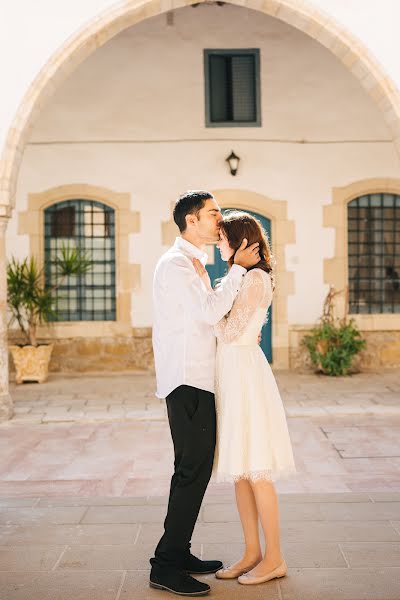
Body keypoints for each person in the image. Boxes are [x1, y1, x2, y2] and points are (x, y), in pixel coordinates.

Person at [150, 191, 260, 597]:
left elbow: (206, 318)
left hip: (197, 379)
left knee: (194, 471)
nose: (220, 220)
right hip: (187, 381)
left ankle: (178, 554)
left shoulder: (192, 262)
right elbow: (210, 312)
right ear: (191, 221)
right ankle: (165, 565)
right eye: (214, 214)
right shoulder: (177, 264)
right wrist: (238, 271)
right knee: (191, 472)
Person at [192, 210, 296, 586]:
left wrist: (206, 308)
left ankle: (275, 557)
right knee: (240, 471)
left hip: (245, 374)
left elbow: (230, 332)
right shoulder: (241, 277)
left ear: (240, 242)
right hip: (231, 374)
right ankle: (252, 551)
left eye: (223, 239)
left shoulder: (253, 278)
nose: (219, 245)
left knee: (257, 471)